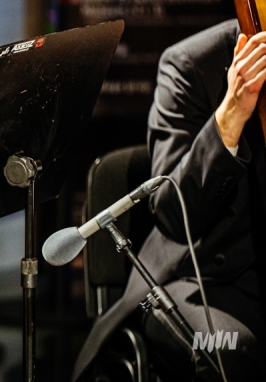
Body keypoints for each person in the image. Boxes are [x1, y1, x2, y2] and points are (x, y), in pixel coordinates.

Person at [73, 19, 266, 381]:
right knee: (231, 351)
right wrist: (231, 114)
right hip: (202, 277)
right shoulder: (190, 63)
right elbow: (173, 212)